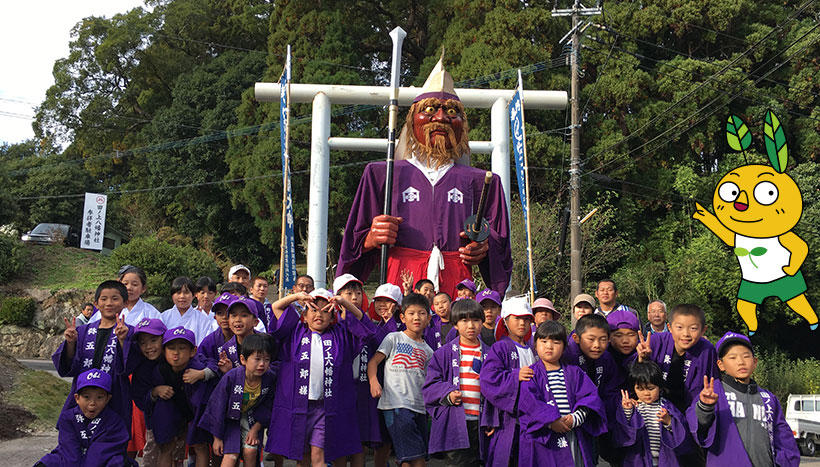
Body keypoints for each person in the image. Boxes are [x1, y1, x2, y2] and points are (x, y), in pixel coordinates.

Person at [337, 55, 512, 299]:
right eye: (429, 110)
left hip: (457, 285)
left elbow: (500, 251)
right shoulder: (381, 174)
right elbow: (352, 246)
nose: (440, 118)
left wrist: (483, 247)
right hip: (400, 282)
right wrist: (370, 239)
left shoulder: (483, 182)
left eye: (451, 111)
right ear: (412, 120)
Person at [266, 289, 375, 465]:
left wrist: (344, 303)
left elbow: (366, 327)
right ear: (305, 314)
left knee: (319, 455)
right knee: (303, 458)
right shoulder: (294, 332)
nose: (319, 315)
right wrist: (297, 297)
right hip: (298, 405)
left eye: (326, 311)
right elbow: (276, 307)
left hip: (326, 407)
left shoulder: (341, 335)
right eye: (314, 309)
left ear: (333, 317)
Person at [687, 332, 800, 467]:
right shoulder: (713, 392)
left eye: (746, 356)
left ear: (755, 362)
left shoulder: (769, 399)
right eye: (732, 357)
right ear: (720, 365)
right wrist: (705, 407)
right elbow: (697, 427)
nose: (741, 362)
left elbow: (784, 440)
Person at [636, 304, 718, 466]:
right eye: (679, 327)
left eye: (693, 328)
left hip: (689, 413)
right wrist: (642, 359)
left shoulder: (706, 349)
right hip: (658, 412)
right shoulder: (656, 341)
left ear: (703, 330)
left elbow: (712, 383)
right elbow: (639, 377)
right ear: (669, 327)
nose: (686, 334)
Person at [517, 321, 606, 467]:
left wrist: (575, 418)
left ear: (564, 346)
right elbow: (529, 404)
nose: (549, 346)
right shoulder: (531, 374)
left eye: (556, 342)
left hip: (571, 433)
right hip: (544, 435)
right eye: (543, 341)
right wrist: (551, 422)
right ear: (535, 344)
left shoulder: (575, 372)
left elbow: (590, 399)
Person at [53, 280, 132, 427]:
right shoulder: (82, 331)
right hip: (84, 394)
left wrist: (123, 340)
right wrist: (71, 343)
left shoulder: (129, 332)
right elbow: (69, 365)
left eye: (115, 299)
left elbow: (130, 365)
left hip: (115, 395)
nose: (109, 303)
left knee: (110, 440)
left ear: (125, 303)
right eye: (104, 299)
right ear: (96, 304)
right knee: (77, 436)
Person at [368, 293, 435, 467]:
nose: (416, 317)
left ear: (428, 318)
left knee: (410, 457)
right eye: (411, 313)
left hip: (419, 407)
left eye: (421, 313)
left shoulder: (428, 350)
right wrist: (374, 381)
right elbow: (374, 362)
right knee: (416, 459)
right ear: (403, 317)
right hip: (396, 405)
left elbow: (429, 380)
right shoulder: (394, 338)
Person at [423, 298, 488, 465]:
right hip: (456, 422)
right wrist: (448, 394)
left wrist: (493, 419)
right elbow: (430, 385)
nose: (471, 326)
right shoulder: (443, 353)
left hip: (483, 422)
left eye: (475, 320)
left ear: (482, 322)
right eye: (464, 321)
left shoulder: (491, 353)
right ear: (455, 324)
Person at [133, 326, 209, 467]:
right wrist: (155, 391)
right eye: (171, 348)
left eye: (153, 340)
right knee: (165, 447)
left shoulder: (196, 365)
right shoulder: (152, 369)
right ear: (165, 349)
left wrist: (203, 374)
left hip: (193, 412)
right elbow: (141, 398)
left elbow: (211, 365)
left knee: (199, 445)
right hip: (164, 413)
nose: (176, 353)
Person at [199, 333, 276, 467]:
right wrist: (217, 438)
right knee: (230, 456)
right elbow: (217, 406)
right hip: (230, 420)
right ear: (243, 359)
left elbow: (268, 406)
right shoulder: (231, 377)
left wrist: (255, 429)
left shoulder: (269, 378)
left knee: (251, 451)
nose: (262, 364)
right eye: (257, 359)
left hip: (252, 419)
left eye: (267, 359)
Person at [36, 369, 135, 467]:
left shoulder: (114, 421)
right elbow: (69, 450)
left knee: (119, 462)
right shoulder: (68, 418)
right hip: (71, 459)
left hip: (101, 461)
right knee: (48, 462)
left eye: (99, 397)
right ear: (77, 398)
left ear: (107, 399)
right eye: (86, 397)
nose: (92, 403)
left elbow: (102, 452)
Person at [481, 296, 536, 467]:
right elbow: (488, 379)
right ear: (505, 321)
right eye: (517, 318)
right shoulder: (500, 347)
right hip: (507, 420)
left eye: (526, 319)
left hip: (531, 418)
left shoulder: (533, 349)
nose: (522, 323)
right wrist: (515, 375)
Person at [563, 314, 625, 465]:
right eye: (591, 339)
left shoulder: (606, 359)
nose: (597, 345)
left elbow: (612, 389)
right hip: (568, 420)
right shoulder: (566, 355)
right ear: (577, 338)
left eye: (603, 339)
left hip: (593, 420)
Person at [615, 361, 686, 467]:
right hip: (639, 458)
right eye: (640, 389)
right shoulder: (635, 406)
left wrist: (669, 421)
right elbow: (625, 432)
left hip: (664, 458)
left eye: (651, 388)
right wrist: (627, 410)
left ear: (660, 387)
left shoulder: (666, 406)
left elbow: (680, 432)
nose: (646, 393)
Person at [89, 265, 161, 326]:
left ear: (143, 288)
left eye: (135, 284)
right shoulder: (108, 309)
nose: (129, 288)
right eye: (125, 284)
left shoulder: (151, 313)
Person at [161, 276, 217, 346]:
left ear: (193, 295)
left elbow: (206, 345)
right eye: (178, 293)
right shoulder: (163, 317)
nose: (182, 296)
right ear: (172, 295)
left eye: (186, 292)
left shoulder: (203, 320)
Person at [606, 308, 641, 376]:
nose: (625, 341)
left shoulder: (645, 351)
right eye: (619, 335)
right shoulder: (602, 356)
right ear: (608, 337)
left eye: (631, 335)